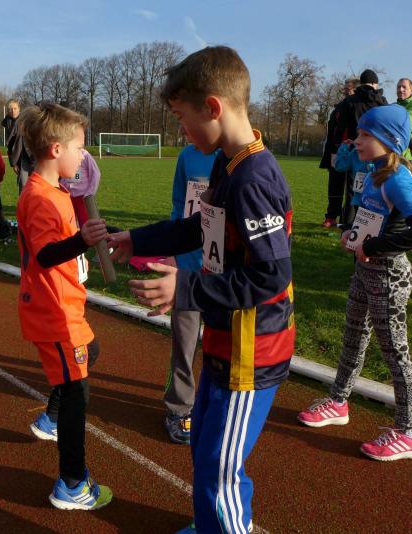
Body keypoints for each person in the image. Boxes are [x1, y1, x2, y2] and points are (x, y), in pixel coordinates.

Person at [108, 46, 294, 534]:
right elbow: (199, 228)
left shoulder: (254, 178)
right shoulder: (226, 164)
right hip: (223, 337)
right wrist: (137, 240)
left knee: (219, 466)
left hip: (251, 350)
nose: (181, 132)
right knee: (205, 447)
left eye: (181, 118)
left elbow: (271, 277)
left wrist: (186, 288)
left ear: (212, 107)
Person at [297, 105, 412, 461]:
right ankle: (338, 402)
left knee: (395, 351)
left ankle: (407, 433)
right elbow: (366, 216)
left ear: (388, 141)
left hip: (389, 276)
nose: (356, 140)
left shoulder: (397, 179)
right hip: (365, 272)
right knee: (353, 336)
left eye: (364, 135)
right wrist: (350, 233)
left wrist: (373, 246)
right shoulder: (372, 172)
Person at [16, 102, 112, 511]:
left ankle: (51, 418)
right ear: (56, 149)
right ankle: (72, 483)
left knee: (91, 351)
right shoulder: (40, 196)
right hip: (53, 311)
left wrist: (105, 235)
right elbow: (45, 254)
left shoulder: (56, 191)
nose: (84, 156)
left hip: (67, 305)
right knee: (77, 394)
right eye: (79, 148)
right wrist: (81, 241)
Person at [162, 134, 218, 445]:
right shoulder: (187, 156)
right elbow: (178, 205)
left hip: (222, 272)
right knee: (184, 343)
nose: (185, 130)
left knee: (220, 345)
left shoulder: (234, 156)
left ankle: (215, 403)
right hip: (187, 265)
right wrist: (174, 251)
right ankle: (179, 407)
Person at [333, 69, 389, 227]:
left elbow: (340, 126)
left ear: (361, 83)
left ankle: (349, 223)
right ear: (375, 84)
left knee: (353, 189)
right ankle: (372, 224)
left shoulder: (350, 101)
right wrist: (411, 145)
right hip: (376, 151)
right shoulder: (381, 100)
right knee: (376, 186)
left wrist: (337, 146)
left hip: (356, 148)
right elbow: (390, 125)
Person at [320, 78, 358, 228]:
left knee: (352, 187)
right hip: (337, 151)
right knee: (335, 184)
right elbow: (332, 131)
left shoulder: (359, 106)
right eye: (345, 89)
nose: (345, 92)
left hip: (354, 151)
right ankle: (331, 216)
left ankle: (347, 218)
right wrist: (330, 152)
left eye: (349, 89)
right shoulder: (339, 108)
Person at [59, 148, 100, 227]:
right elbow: (63, 174)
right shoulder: (64, 154)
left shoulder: (85, 155)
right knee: (69, 224)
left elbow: (96, 173)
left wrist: (89, 193)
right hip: (68, 197)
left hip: (82, 197)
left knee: (85, 224)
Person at [5, 99, 35, 193]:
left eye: (15, 108)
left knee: (35, 185)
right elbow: (10, 146)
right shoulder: (8, 124)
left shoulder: (27, 120)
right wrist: (13, 164)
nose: (13, 111)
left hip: (33, 156)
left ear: (19, 109)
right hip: (21, 159)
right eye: (10, 109)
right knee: (23, 186)